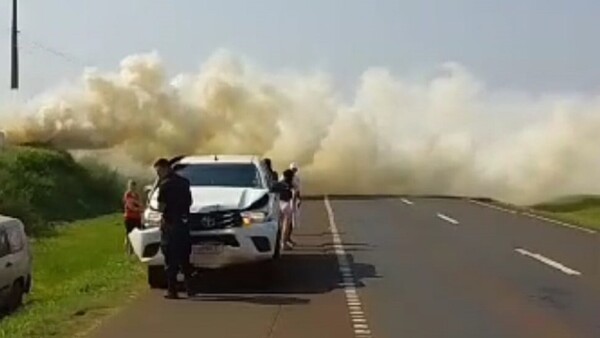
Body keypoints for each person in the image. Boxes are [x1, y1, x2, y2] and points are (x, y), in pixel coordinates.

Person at [153, 158, 194, 299]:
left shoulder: (164, 185)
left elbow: (160, 208)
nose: (158, 175)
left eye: (158, 171)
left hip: (170, 224)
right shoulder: (184, 183)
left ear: (165, 169)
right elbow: (190, 202)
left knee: (170, 259)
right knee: (185, 258)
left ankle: (172, 290)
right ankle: (190, 288)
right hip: (184, 224)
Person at [273, 169, 297, 249]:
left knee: (278, 225)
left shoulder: (280, 184)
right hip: (286, 204)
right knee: (286, 225)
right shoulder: (291, 184)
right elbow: (294, 194)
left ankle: (277, 243)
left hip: (279, 204)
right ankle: (283, 243)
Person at [123, 179, 143, 254]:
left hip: (137, 217)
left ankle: (134, 250)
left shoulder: (137, 195)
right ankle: (128, 251)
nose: (133, 188)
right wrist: (139, 209)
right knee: (129, 234)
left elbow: (141, 204)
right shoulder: (127, 195)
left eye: (134, 186)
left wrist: (139, 208)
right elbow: (130, 206)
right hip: (129, 217)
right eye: (131, 186)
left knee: (137, 234)